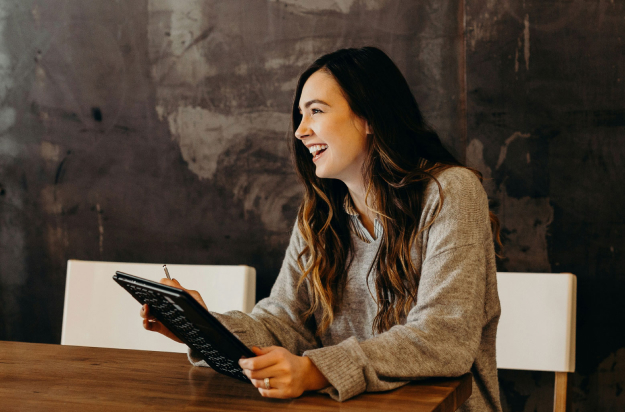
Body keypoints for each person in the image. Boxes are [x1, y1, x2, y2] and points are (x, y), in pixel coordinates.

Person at [140, 46, 503, 412]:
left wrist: (316, 371)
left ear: (369, 117)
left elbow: (444, 339)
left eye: (316, 110)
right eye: (300, 115)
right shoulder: (320, 215)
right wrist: (204, 329)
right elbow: (283, 323)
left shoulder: (450, 192)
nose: (300, 131)